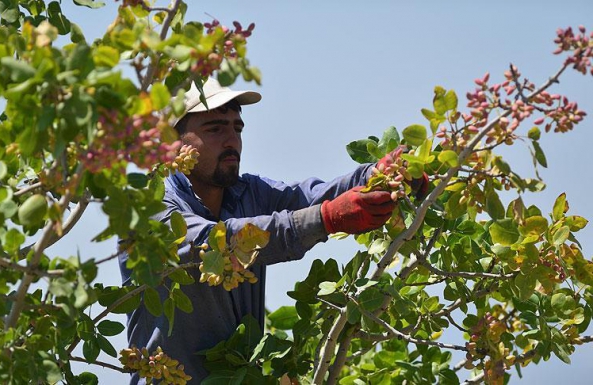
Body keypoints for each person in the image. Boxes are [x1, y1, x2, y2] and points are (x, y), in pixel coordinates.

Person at [119, 78, 425, 384]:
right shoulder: (146, 206)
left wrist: (377, 175)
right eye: (215, 128)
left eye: (237, 128)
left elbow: (314, 196)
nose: (231, 140)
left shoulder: (249, 193)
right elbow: (214, 243)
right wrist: (328, 218)